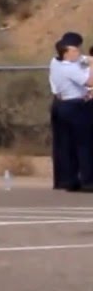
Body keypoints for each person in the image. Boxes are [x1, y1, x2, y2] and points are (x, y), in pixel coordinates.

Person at [49, 32, 90, 191]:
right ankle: (87, 180)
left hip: (60, 105)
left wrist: (87, 60)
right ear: (66, 52)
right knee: (83, 144)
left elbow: (82, 59)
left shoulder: (55, 62)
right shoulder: (70, 69)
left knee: (65, 145)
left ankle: (67, 180)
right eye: (75, 50)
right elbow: (89, 81)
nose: (78, 52)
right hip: (75, 105)